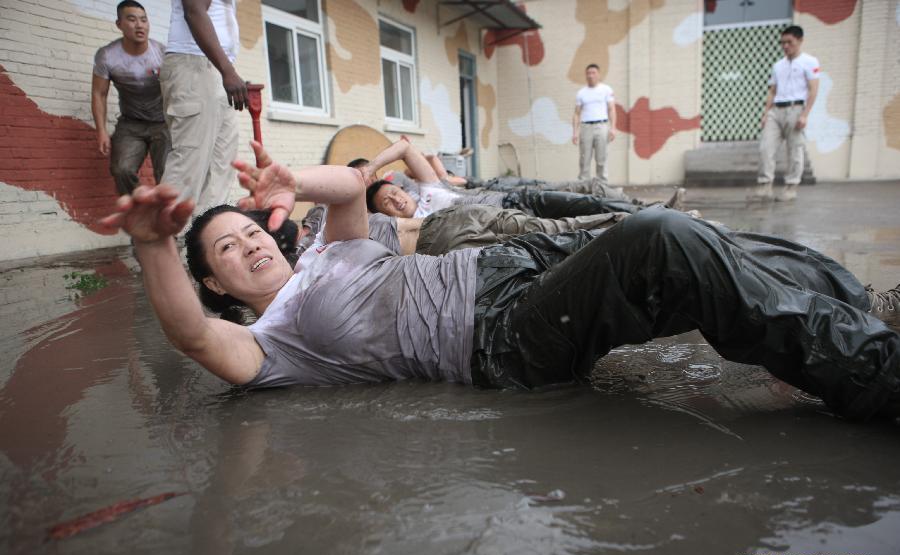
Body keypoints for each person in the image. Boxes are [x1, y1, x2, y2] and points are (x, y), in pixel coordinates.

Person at [100, 141, 900, 422]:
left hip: (509, 269)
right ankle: (877, 375)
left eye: (249, 230)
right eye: (228, 250)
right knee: (662, 238)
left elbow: (348, 188)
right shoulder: (268, 346)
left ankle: (857, 305)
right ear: (215, 283)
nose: (249, 244)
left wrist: (292, 182)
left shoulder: (325, 254)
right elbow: (190, 335)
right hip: (501, 337)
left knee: (707, 247)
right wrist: (153, 247)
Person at [356, 139, 655, 220]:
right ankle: (643, 219)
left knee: (585, 202)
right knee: (585, 221)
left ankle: (647, 211)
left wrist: (371, 167)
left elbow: (406, 147)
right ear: (384, 215)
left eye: (393, 192)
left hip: (512, 201)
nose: (395, 199)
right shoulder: (411, 226)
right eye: (387, 203)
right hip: (505, 223)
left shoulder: (428, 189)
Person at [160, 0, 247, 215]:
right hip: (194, 64)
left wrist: (226, 69)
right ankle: (163, 234)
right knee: (190, 164)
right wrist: (228, 71)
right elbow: (194, 10)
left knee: (222, 165)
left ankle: (205, 231)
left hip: (216, 68)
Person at [91, 1, 169, 196]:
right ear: (119, 24)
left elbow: (179, 90)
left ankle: (167, 211)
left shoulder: (162, 54)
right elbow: (99, 93)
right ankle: (139, 206)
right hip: (131, 123)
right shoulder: (107, 56)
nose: (139, 25)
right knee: (121, 169)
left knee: (167, 175)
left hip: (164, 122)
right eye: (132, 19)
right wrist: (101, 131)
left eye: (144, 20)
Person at [367, 204, 625, 256]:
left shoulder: (357, 215)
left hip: (449, 219)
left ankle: (626, 223)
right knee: (543, 244)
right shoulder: (347, 258)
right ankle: (629, 236)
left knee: (550, 229)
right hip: (442, 249)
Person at [754, 25, 820, 202]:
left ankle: (791, 187)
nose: (785, 46)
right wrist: (765, 113)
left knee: (794, 150)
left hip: (796, 109)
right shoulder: (778, 65)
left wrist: (805, 114)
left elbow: (813, 89)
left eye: (789, 42)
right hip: (776, 110)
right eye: (782, 42)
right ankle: (765, 186)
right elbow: (772, 91)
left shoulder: (810, 62)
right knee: (766, 147)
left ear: (800, 40)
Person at [573, 64, 616, 182]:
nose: (591, 75)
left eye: (593, 73)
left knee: (602, 158)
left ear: (598, 74)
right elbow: (576, 113)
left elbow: (611, 109)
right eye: (588, 73)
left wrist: (613, 128)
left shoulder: (606, 90)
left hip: (601, 126)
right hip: (586, 127)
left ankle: (602, 185)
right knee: (584, 158)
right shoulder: (581, 93)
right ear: (586, 75)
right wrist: (575, 132)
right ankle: (583, 185)